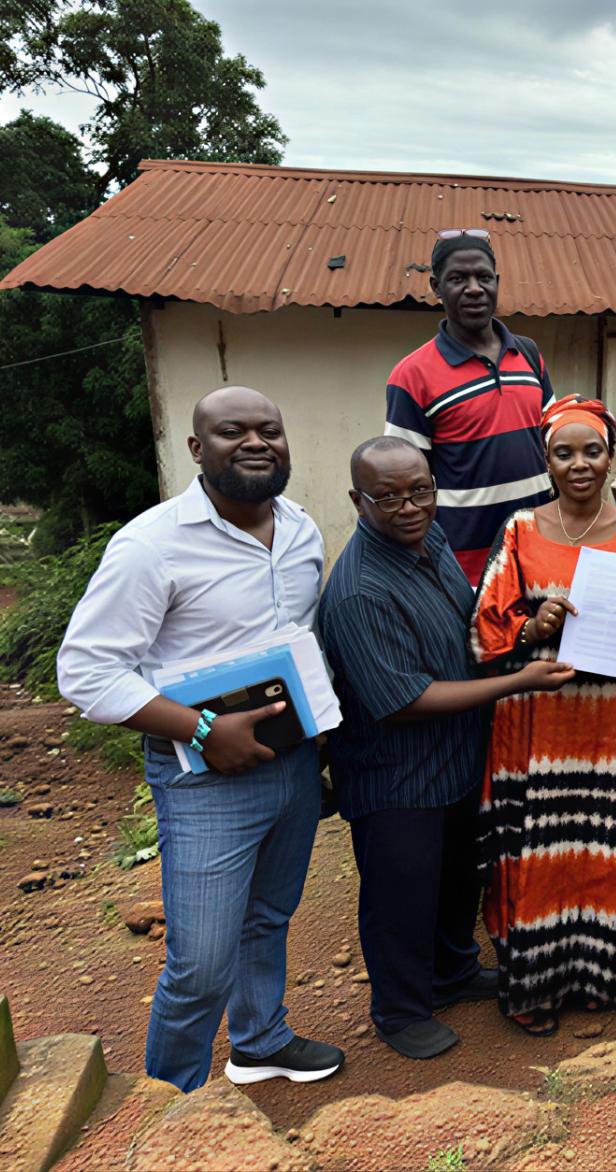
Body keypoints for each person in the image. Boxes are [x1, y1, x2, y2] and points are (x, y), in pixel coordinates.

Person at [56, 387, 344, 1092]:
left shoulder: (301, 528)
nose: (255, 442)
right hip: (205, 779)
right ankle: (168, 1102)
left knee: (270, 917)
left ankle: (260, 1042)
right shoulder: (152, 545)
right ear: (196, 448)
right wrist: (202, 730)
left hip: (293, 762)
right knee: (200, 961)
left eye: (269, 430)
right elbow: (86, 671)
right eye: (232, 431)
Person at [317, 438, 576, 1059]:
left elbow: (467, 627)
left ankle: (453, 970)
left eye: (421, 491)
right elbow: (402, 700)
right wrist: (514, 681)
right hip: (396, 775)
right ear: (357, 500)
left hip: (456, 759)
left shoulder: (427, 541)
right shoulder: (359, 590)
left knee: (457, 877)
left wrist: (525, 630)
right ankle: (400, 1010)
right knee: (400, 894)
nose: (409, 507)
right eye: (388, 497)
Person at [475, 397, 616, 1034]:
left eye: (591, 450)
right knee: (542, 851)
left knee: (608, 849)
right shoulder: (518, 531)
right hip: (539, 727)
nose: (578, 464)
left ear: (610, 456)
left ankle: (603, 976)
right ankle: (536, 985)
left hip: (614, 724)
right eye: (563, 453)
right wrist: (532, 624)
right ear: (547, 460)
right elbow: (484, 632)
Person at [384, 229, 554, 584]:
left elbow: (555, 442)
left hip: (541, 554)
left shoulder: (528, 354)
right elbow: (406, 487)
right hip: (466, 571)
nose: (474, 288)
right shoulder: (411, 376)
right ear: (435, 287)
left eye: (484, 277)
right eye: (458, 279)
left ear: (497, 282)